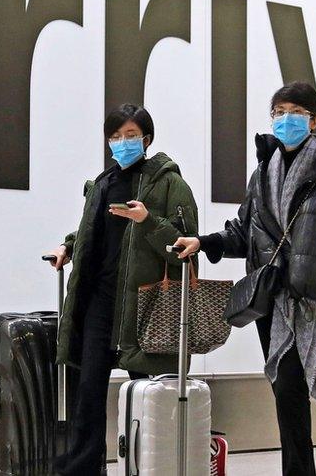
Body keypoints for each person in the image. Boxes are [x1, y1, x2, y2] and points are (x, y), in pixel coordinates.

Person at [174, 81, 316, 476]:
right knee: (285, 389)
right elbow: (244, 230)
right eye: (279, 112)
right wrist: (203, 242)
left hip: (313, 295)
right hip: (270, 295)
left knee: (289, 385)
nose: (286, 119)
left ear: (313, 119)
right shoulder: (263, 170)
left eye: (295, 112)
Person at [45, 103, 198, 475]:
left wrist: (148, 220)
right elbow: (92, 230)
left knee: (147, 390)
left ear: (146, 139)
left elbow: (186, 246)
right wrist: (68, 245)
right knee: (89, 387)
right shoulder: (104, 182)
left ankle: (151, 464)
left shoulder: (169, 184)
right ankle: (82, 466)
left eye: (130, 136)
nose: (122, 143)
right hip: (100, 296)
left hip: (145, 301)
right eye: (115, 137)